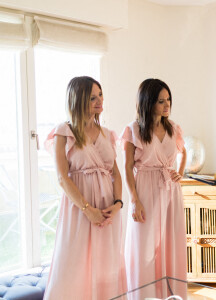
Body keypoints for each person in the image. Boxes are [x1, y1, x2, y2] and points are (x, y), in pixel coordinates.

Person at [43, 76, 126, 300]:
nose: (99, 101)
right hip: (79, 209)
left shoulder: (107, 134)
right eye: (92, 97)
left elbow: (116, 173)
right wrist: (88, 209)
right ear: (78, 100)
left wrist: (118, 203)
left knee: (107, 265)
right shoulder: (65, 131)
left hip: (108, 210)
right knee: (73, 262)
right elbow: (62, 178)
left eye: (100, 95)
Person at [120, 78, 187, 299]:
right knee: (144, 247)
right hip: (145, 189)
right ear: (148, 102)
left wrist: (181, 171)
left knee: (171, 242)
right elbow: (128, 168)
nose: (167, 105)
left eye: (168, 100)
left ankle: (171, 294)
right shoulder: (133, 130)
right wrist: (134, 200)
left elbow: (183, 152)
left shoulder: (173, 127)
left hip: (170, 190)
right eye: (161, 101)